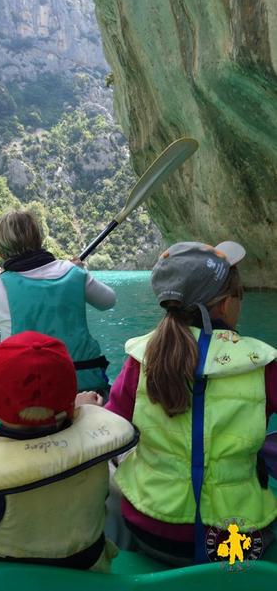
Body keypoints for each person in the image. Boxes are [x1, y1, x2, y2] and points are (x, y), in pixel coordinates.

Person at [103, 241, 277, 566]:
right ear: (226, 305)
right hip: (235, 543)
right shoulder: (262, 363)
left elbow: (112, 432)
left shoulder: (142, 357)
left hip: (152, 531)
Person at [0, 331, 136, 573]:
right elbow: (69, 437)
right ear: (72, 406)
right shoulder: (95, 451)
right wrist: (81, 413)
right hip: (86, 576)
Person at [0, 210, 116, 393]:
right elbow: (108, 301)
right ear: (39, 240)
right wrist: (81, 272)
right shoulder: (73, 272)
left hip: (29, 392)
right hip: (82, 382)